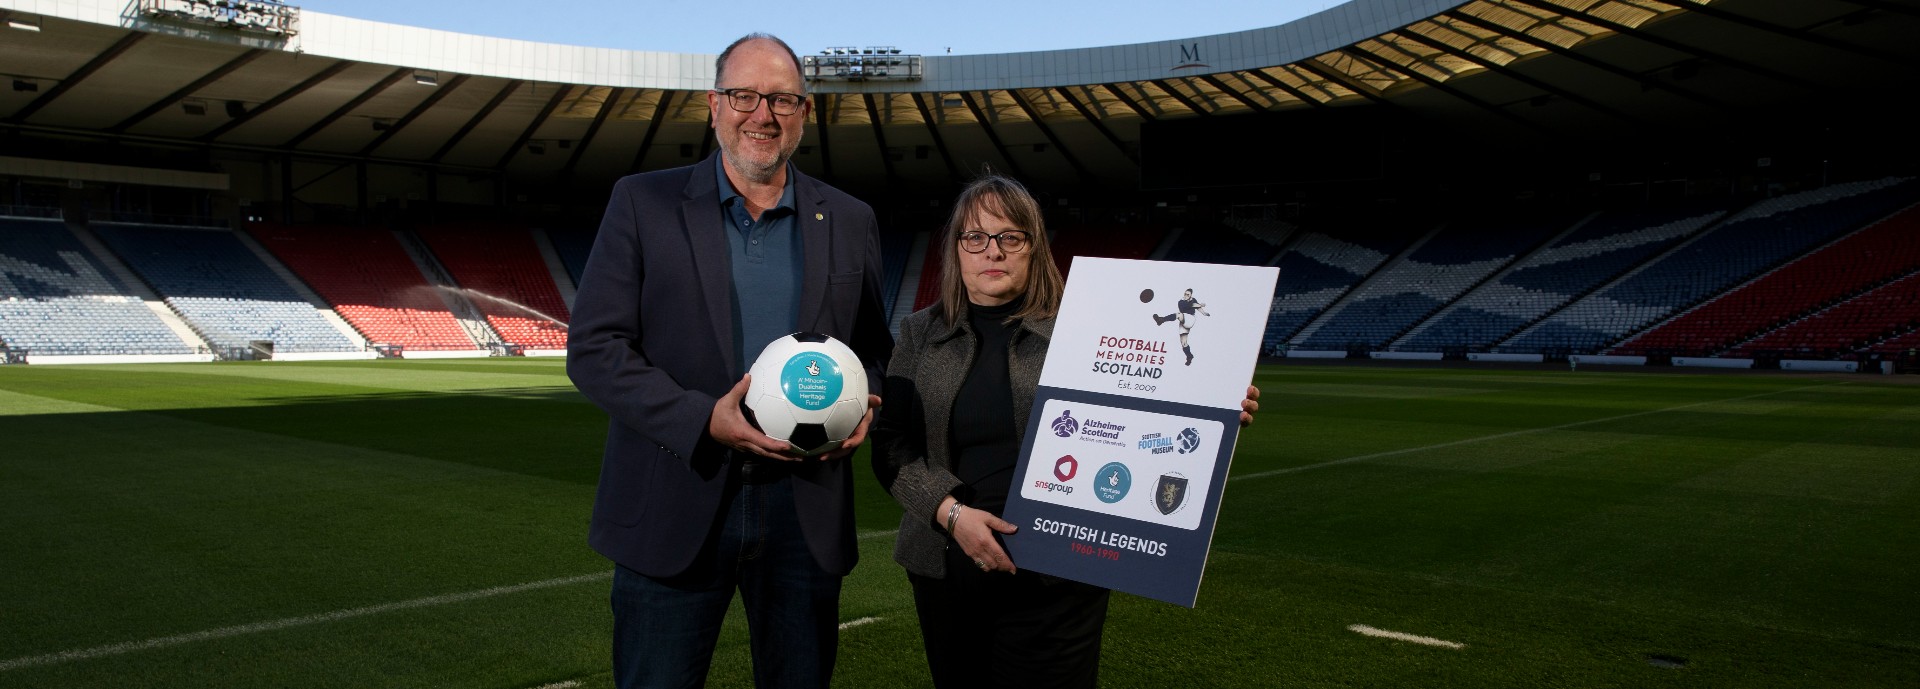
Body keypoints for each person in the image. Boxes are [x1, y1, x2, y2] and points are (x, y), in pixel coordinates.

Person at [567, 33, 891, 689]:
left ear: (805, 113)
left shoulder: (851, 219)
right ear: (714, 106)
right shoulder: (642, 202)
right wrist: (700, 418)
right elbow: (594, 348)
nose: (762, 114)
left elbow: (871, 351)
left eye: (781, 100)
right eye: (744, 95)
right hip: (676, 496)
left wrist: (866, 405)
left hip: (805, 508)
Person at [872, 175, 1258, 688]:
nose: (994, 251)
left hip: (1058, 575)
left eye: (1011, 237)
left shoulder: (1084, 326)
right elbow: (891, 445)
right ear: (956, 250)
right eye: (976, 237)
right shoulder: (921, 330)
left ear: (1033, 246)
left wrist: (1212, 399)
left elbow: (1144, 406)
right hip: (946, 565)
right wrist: (953, 513)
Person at [1153, 287, 1211, 365]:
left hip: (1190, 318)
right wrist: (1200, 304)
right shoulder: (1181, 301)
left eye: (1188, 294)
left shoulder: (1193, 300)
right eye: (1185, 294)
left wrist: (1204, 313)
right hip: (1183, 320)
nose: (1186, 295)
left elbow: (1197, 307)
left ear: (1191, 295)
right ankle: (1189, 356)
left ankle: (1161, 320)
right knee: (1183, 343)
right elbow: (1191, 305)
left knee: (1178, 314)